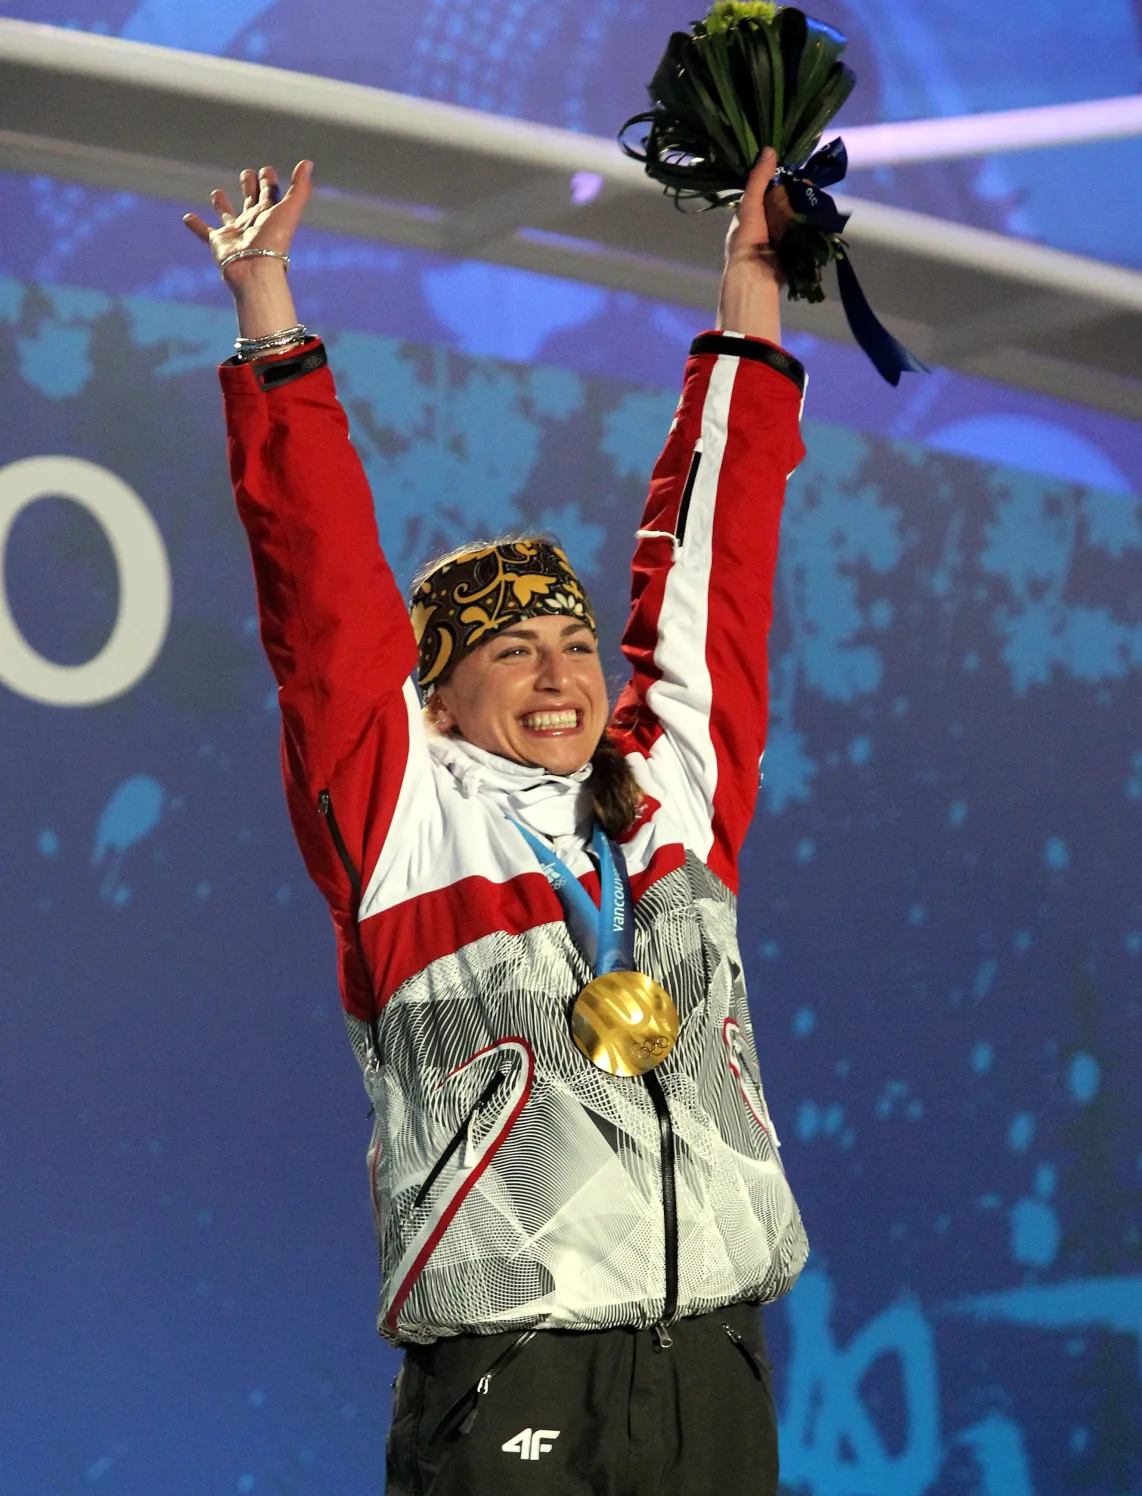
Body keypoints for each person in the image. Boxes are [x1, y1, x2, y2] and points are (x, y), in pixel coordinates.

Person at [185, 145, 809, 1496]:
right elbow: (324, 599)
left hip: (713, 1365)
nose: (558, 674)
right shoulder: (406, 814)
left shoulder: (665, 805)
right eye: (511, 650)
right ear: (440, 700)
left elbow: (717, 553)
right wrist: (270, 319)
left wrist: (748, 288)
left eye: (577, 646)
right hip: (513, 1366)